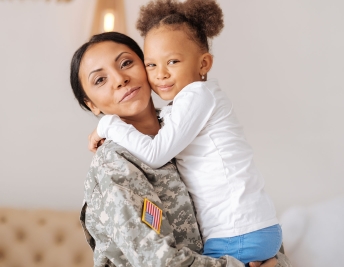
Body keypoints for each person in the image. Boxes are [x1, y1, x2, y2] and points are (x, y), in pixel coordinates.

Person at [71, 32, 290, 267]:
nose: (120, 78)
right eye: (100, 80)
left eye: (126, 63)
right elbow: (159, 262)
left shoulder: (188, 128)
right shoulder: (114, 164)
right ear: (91, 104)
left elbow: (250, 218)